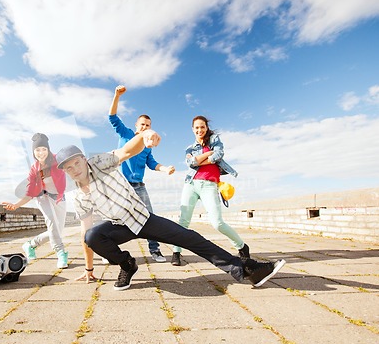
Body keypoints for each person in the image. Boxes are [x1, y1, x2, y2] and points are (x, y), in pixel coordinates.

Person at [55, 129, 285, 290]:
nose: (74, 169)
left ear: (83, 160)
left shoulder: (99, 162)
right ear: (64, 171)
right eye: (68, 167)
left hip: (142, 218)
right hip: (119, 226)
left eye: (76, 162)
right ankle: (127, 264)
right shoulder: (76, 194)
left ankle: (248, 270)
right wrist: (88, 268)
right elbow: (86, 235)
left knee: (190, 238)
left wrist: (144, 135)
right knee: (92, 235)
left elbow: (125, 151)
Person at [171, 116, 250, 266]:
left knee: (217, 223)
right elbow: (190, 163)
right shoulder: (190, 148)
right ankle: (176, 252)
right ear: (192, 129)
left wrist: (199, 159)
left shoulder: (214, 140)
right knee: (183, 221)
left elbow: (218, 155)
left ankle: (242, 246)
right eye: (197, 127)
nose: (199, 130)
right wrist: (208, 154)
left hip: (209, 185)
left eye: (202, 127)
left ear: (206, 127)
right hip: (191, 184)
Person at [108, 85, 175, 263]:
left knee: (149, 218)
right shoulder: (126, 134)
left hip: (139, 187)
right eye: (142, 124)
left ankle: (155, 250)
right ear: (137, 126)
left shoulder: (147, 147)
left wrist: (165, 168)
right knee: (115, 219)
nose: (145, 127)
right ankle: (108, 251)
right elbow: (112, 117)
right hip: (121, 186)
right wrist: (116, 96)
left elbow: (152, 164)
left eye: (148, 125)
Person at [2, 133, 69, 269]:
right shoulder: (34, 169)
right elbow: (30, 193)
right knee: (51, 222)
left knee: (57, 231)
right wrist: (16, 205)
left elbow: (72, 164)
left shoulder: (58, 159)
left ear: (48, 149)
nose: (41, 153)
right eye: (37, 150)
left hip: (59, 198)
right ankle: (61, 252)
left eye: (44, 149)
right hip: (42, 197)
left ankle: (30, 245)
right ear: (33, 152)